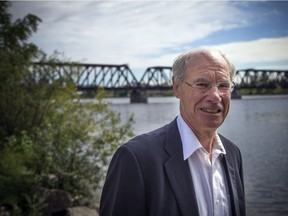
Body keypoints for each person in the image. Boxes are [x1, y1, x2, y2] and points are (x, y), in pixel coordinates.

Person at [99, 48, 246, 216]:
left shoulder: (233, 154)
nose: (215, 96)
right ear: (177, 88)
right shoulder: (135, 158)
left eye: (223, 85)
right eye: (202, 84)